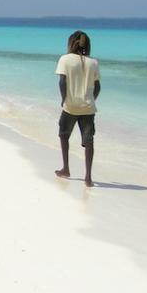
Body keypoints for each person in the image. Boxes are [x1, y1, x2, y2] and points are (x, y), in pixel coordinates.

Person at [55, 30, 100, 187]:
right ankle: (88, 177)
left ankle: (66, 168)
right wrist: (90, 99)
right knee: (89, 141)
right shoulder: (93, 62)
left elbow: (62, 82)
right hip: (88, 108)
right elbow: (98, 87)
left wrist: (64, 99)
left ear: (70, 43)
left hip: (70, 106)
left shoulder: (65, 60)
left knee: (64, 135)